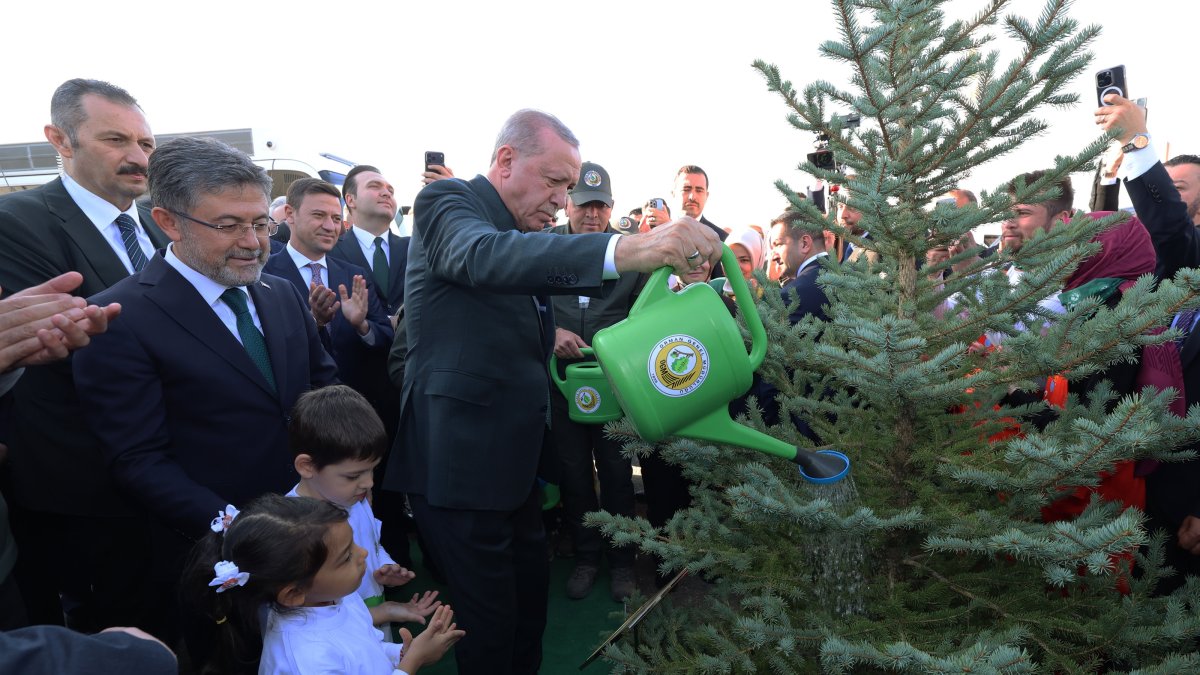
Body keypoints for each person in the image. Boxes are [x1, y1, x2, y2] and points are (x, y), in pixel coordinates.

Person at [385, 108, 721, 674]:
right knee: (489, 631)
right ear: (506, 160)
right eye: (555, 182)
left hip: (513, 471)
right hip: (461, 465)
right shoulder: (449, 204)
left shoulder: (524, 233)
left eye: (569, 188)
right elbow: (483, 257)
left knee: (526, 618)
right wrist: (631, 250)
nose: (563, 200)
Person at [71, 135, 339, 642]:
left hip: (312, 532)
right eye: (228, 225)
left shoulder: (281, 293)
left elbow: (322, 389)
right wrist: (238, 531)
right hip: (209, 563)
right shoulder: (121, 318)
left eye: (260, 223)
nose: (253, 242)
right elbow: (138, 460)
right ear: (168, 222)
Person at [0, 77, 169, 634]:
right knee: (105, 633)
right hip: (81, 485)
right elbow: (77, 346)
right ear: (60, 140)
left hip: (161, 471)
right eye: (116, 140)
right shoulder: (16, 223)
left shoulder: (153, 226)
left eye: (145, 144)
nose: (137, 157)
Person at [1095, 94, 1200, 593]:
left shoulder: (1184, 255)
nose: (1165, 203)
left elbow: (1172, 229)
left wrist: (1138, 144)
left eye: (1177, 190)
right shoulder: (1153, 281)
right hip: (1134, 494)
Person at [184, 494, 463, 675]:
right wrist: (412, 663)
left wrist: (401, 652)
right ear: (294, 593)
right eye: (346, 557)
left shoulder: (339, 598)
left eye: (354, 543)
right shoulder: (307, 659)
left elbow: (367, 647)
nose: (363, 553)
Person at [546, 161, 640, 602]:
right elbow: (521, 307)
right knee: (574, 474)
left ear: (611, 208)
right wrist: (551, 335)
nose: (591, 214)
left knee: (619, 474)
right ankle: (586, 556)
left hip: (614, 389)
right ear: (567, 202)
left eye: (600, 206)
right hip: (562, 386)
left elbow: (646, 317)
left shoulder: (629, 256)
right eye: (583, 205)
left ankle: (622, 562)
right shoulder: (542, 249)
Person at [285, 385, 440, 634]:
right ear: (307, 466)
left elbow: (371, 542)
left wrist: (383, 565)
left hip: (374, 624)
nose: (368, 483)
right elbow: (311, 620)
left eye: (372, 470)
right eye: (353, 475)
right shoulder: (292, 529)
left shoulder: (356, 498)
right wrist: (385, 611)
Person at [264, 178, 394, 404]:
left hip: (359, 406)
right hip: (298, 408)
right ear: (290, 214)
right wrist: (315, 323)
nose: (330, 226)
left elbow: (384, 337)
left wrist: (362, 326)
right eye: (318, 215)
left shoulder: (355, 274)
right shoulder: (265, 275)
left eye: (336, 218)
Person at [330, 165, 409, 318]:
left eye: (390, 191)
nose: (386, 193)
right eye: (374, 186)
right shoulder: (331, 252)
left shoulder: (415, 249)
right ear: (350, 200)